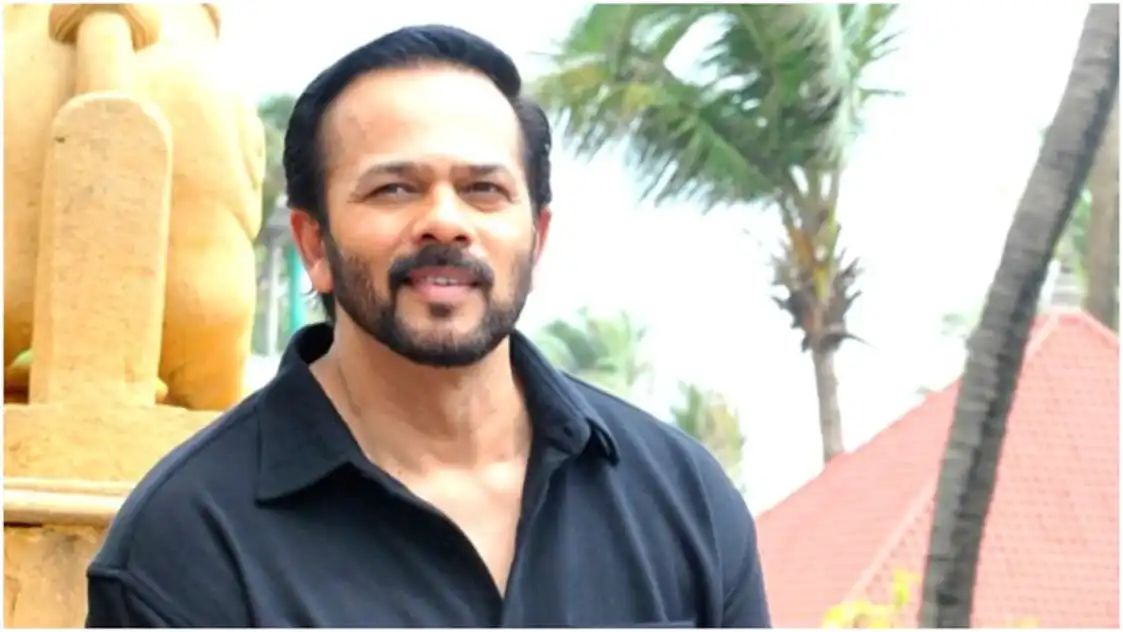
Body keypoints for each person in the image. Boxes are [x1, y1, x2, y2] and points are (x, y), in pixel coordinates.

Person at [85, 24, 771, 628]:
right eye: (394, 189)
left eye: (483, 190)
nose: (445, 221)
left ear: (536, 237)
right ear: (314, 244)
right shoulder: (188, 539)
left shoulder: (682, 500)